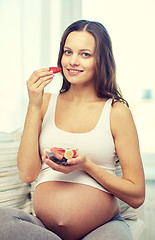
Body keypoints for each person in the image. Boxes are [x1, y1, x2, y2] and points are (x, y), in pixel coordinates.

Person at [0, 20, 145, 240]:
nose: (73, 61)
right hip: (44, 230)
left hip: (102, 228)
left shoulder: (116, 111)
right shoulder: (44, 103)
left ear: (101, 60)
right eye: (68, 52)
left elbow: (137, 196)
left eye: (85, 54)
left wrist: (87, 165)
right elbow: (27, 174)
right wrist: (34, 105)